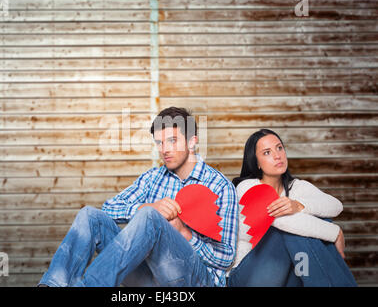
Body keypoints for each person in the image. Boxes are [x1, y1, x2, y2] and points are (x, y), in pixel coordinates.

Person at [38, 107, 238, 287]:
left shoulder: (220, 186)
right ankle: (52, 285)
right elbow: (108, 208)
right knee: (90, 216)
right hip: (149, 277)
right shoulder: (153, 177)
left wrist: (184, 232)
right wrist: (145, 207)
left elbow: (226, 258)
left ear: (192, 141)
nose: (164, 149)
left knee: (150, 217)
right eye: (159, 142)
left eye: (172, 140)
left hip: (195, 280)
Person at [227, 128, 357, 287]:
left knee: (318, 219)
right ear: (256, 163)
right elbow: (281, 222)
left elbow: (336, 205)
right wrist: (335, 232)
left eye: (279, 148)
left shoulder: (297, 187)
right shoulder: (247, 188)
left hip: (288, 270)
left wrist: (299, 205)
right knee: (291, 230)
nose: (277, 155)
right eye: (267, 152)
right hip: (246, 275)